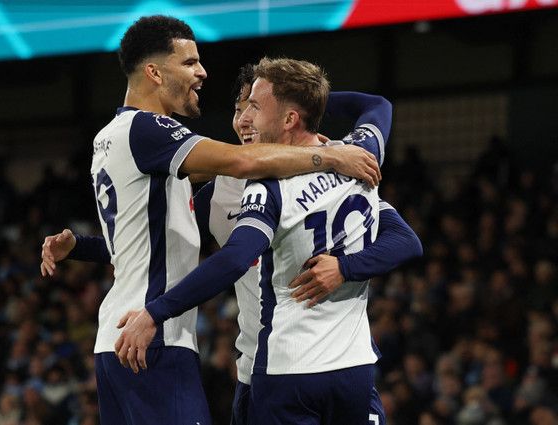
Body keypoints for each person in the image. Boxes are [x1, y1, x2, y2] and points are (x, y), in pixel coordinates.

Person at [40, 15, 381, 425]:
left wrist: (78, 246)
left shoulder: (110, 136)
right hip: (152, 336)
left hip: (116, 337)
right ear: (153, 72)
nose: (202, 72)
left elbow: (140, 241)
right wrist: (330, 155)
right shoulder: (150, 129)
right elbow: (239, 161)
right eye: (189, 63)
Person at [114, 57, 422, 425]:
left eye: (256, 107)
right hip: (349, 368)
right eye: (239, 108)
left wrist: (155, 312)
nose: (246, 118)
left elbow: (234, 258)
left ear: (290, 118)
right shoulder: (359, 156)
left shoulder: (267, 185)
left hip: (285, 369)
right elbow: (377, 106)